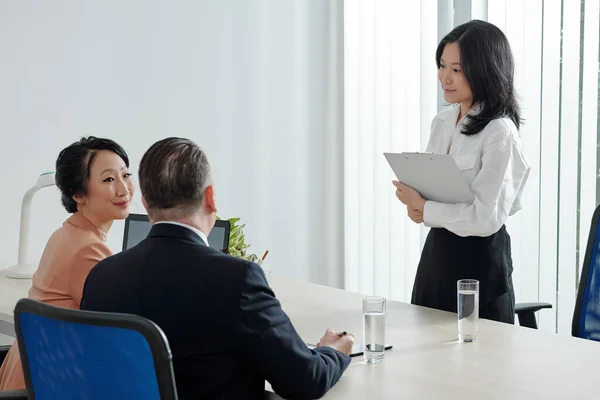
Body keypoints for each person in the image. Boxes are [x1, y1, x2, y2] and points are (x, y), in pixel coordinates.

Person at [81, 137, 354, 400]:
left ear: (146, 204)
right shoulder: (238, 279)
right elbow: (304, 381)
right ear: (209, 197)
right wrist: (333, 351)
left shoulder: (101, 276)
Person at [392, 20, 530, 324]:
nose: (445, 77)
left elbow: (484, 218)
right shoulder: (442, 121)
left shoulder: (499, 132)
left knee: (479, 366)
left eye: (457, 69)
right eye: (443, 66)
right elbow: (430, 191)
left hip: (480, 266)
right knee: (426, 361)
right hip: (437, 258)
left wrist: (426, 208)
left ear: (485, 69)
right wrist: (415, 200)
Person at [0, 137, 134, 391]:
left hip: (33, 366)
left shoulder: (68, 233)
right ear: (78, 194)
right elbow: (121, 332)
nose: (123, 189)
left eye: (126, 175)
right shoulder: (89, 249)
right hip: (50, 381)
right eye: (108, 179)